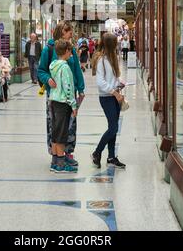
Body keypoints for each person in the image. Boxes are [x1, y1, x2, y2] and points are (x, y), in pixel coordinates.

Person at [38, 21, 85, 166]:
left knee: (70, 124)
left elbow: (77, 70)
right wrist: (48, 79)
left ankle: (68, 153)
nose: (70, 33)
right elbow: (41, 70)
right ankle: (55, 155)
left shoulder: (71, 50)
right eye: (67, 30)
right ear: (60, 32)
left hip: (70, 95)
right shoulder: (49, 49)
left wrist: (81, 89)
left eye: (71, 30)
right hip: (55, 95)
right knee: (54, 124)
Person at [91, 33, 126, 169]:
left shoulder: (111, 58)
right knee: (113, 128)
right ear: (111, 44)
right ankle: (97, 152)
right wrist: (114, 93)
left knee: (114, 127)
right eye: (115, 43)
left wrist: (119, 83)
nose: (117, 44)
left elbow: (113, 78)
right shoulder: (101, 60)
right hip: (106, 98)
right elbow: (101, 82)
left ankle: (111, 156)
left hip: (113, 96)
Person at [49, 39, 78, 173]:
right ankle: (61, 164)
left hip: (54, 101)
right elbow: (68, 87)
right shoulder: (65, 67)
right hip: (63, 103)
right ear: (66, 51)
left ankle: (54, 161)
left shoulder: (53, 65)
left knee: (55, 132)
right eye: (70, 51)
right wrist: (73, 105)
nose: (71, 53)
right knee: (61, 134)